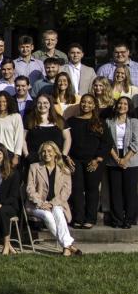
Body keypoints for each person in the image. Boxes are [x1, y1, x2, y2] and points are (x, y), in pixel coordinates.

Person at [26, 141, 81, 256]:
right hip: (37, 205)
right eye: (44, 151)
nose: (46, 154)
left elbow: (66, 192)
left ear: (56, 153)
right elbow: (30, 189)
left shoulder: (65, 170)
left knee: (56, 210)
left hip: (57, 204)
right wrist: (41, 203)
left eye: (50, 151)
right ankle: (68, 245)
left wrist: (51, 204)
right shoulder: (34, 167)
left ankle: (67, 248)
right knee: (47, 215)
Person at [65, 94, 111, 227]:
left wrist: (98, 159)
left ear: (94, 105)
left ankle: (90, 219)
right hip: (75, 161)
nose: (86, 105)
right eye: (84, 102)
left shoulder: (99, 122)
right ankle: (78, 218)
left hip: (94, 161)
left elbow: (107, 143)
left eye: (90, 103)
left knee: (92, 188)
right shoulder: (71, 121)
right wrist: (67, 157)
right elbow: (66, 140)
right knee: (77, 189)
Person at [106, 96, 138, 228]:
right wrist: (117, 158)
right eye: (120, 103)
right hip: (113, 158)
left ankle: (129, 219)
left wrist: (125, 159)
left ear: (129, 107)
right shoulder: (109, 122)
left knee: (130, 190)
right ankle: (117, 219)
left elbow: (136, 142)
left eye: (125, 104)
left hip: (131, 158)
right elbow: (107, 142)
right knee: (115, 190)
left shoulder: (134, 122)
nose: (122, 106)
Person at [24, 94, 69, 167]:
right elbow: (22, 139)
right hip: (35, 160)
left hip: (55, 160)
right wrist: (27, 155)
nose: (42, 105)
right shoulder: (30, 119)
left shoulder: (59, 119)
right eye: (39, 103)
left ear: (50, 104)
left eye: (45, 103)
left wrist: (64, 155)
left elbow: (67, 138)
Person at [0, 92, 25, 166]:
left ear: (8, 102)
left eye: (4, 101)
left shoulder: (16, 117)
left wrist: (16, 156)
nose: (1, 104)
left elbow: (19, 137)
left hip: (10, 153)